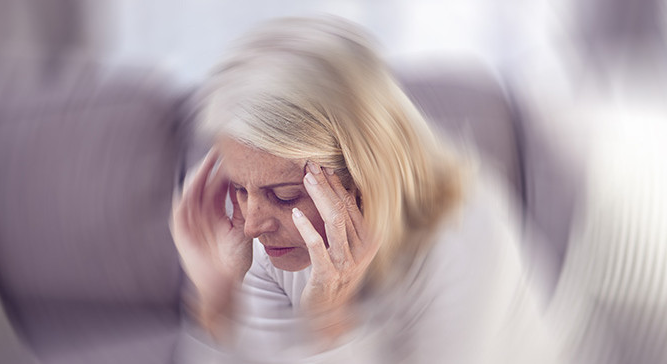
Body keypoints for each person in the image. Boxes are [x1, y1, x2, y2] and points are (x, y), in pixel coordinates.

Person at [171, 16, 555, 364]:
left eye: (285, 195)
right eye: (239, 189)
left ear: (365, 175)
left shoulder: (467, 236)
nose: (252, 225)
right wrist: (217, 304)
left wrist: (329, 324)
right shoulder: (263, 238)